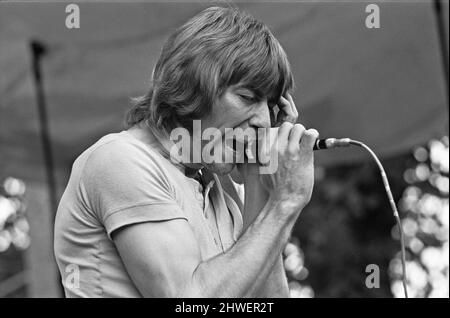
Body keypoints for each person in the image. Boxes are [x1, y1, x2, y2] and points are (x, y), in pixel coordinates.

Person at [54, 6, 319, 298]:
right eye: (247, 97)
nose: (263, 121)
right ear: (193, 83)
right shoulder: (121, 159)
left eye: (269, 107)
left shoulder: (222, 195)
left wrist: (259, 167)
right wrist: (285, 202)